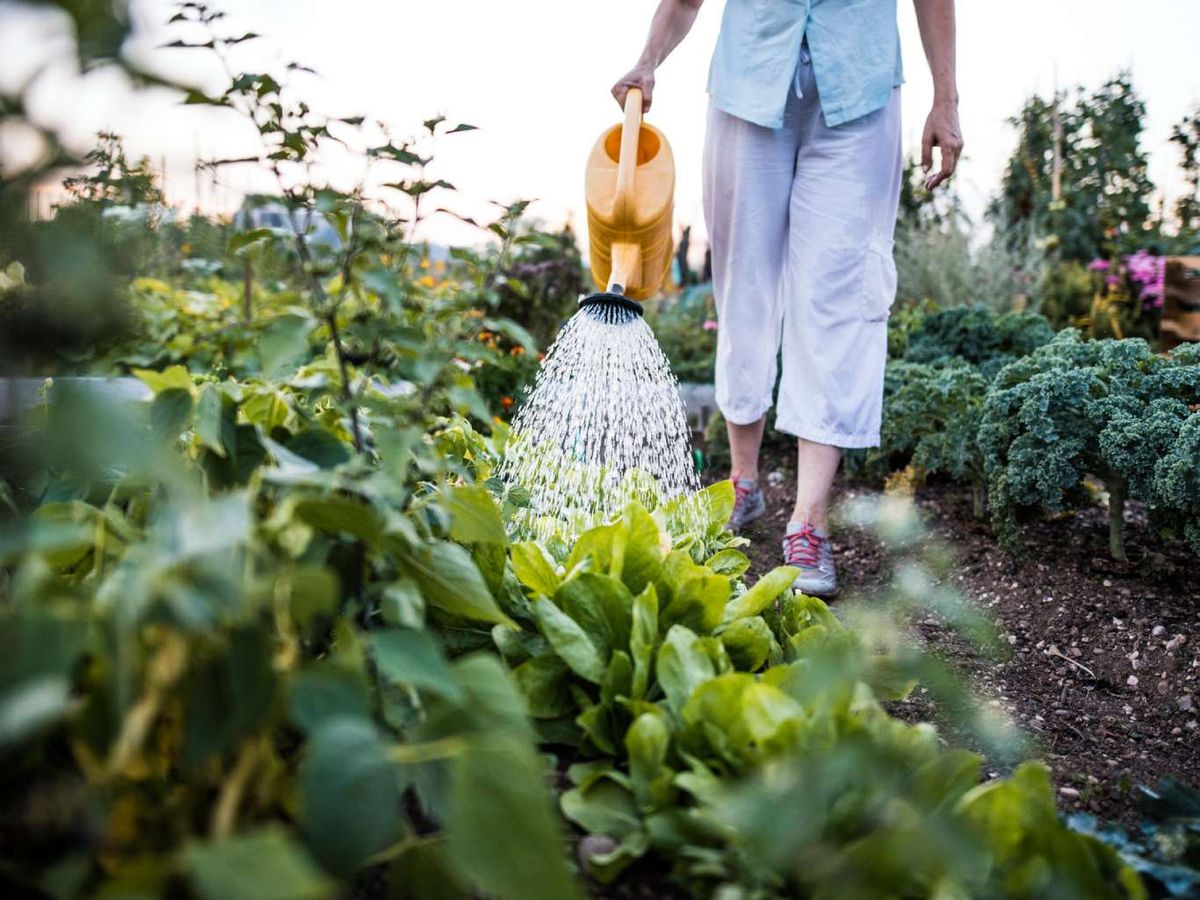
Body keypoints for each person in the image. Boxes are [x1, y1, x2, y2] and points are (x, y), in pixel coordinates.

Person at [613, 0, 961, 597]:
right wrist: (649, 60)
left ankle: (808, 521)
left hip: (860, 91)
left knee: (840, 298)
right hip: (749, 85)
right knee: (742, 287)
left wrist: (946, 98)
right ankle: (743, 480)